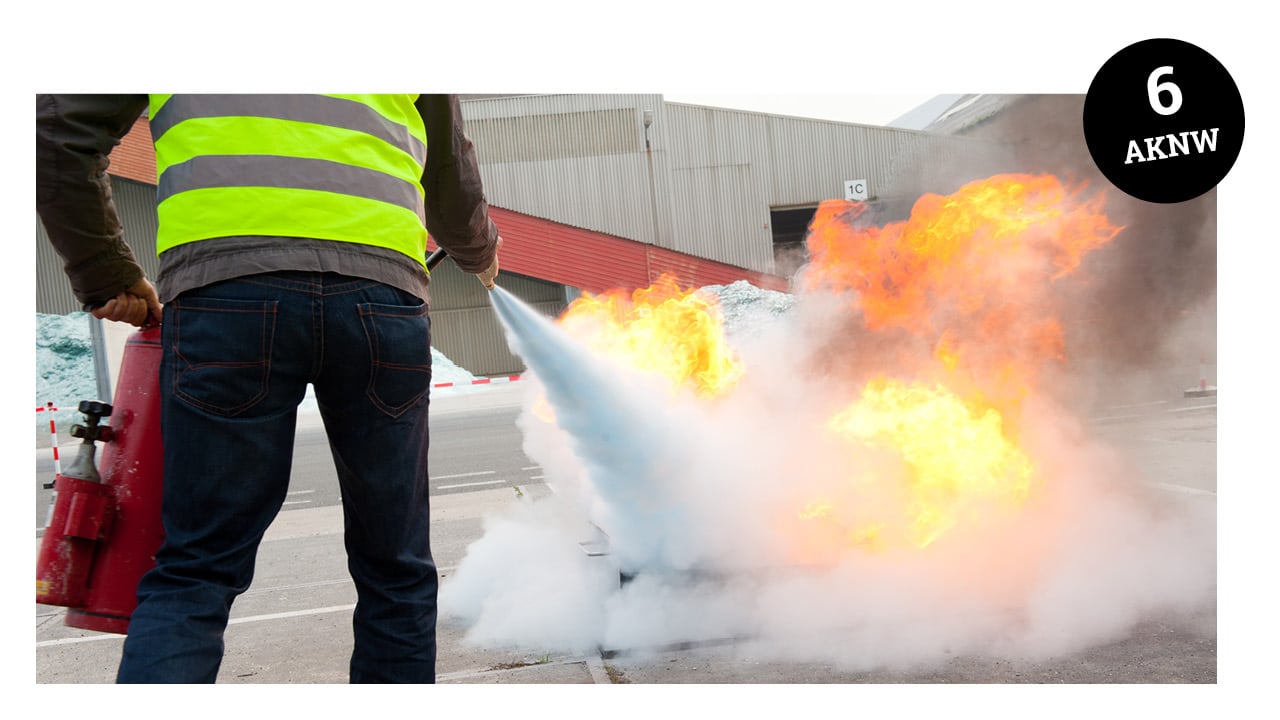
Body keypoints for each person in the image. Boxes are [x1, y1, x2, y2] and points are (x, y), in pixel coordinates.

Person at [36, 94, 501, 683]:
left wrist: (105, 271)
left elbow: (57, 136)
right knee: (396, 565)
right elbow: (450, 173)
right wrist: (478, 251)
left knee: (197, 569)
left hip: (225, 295)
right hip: (380, 300)